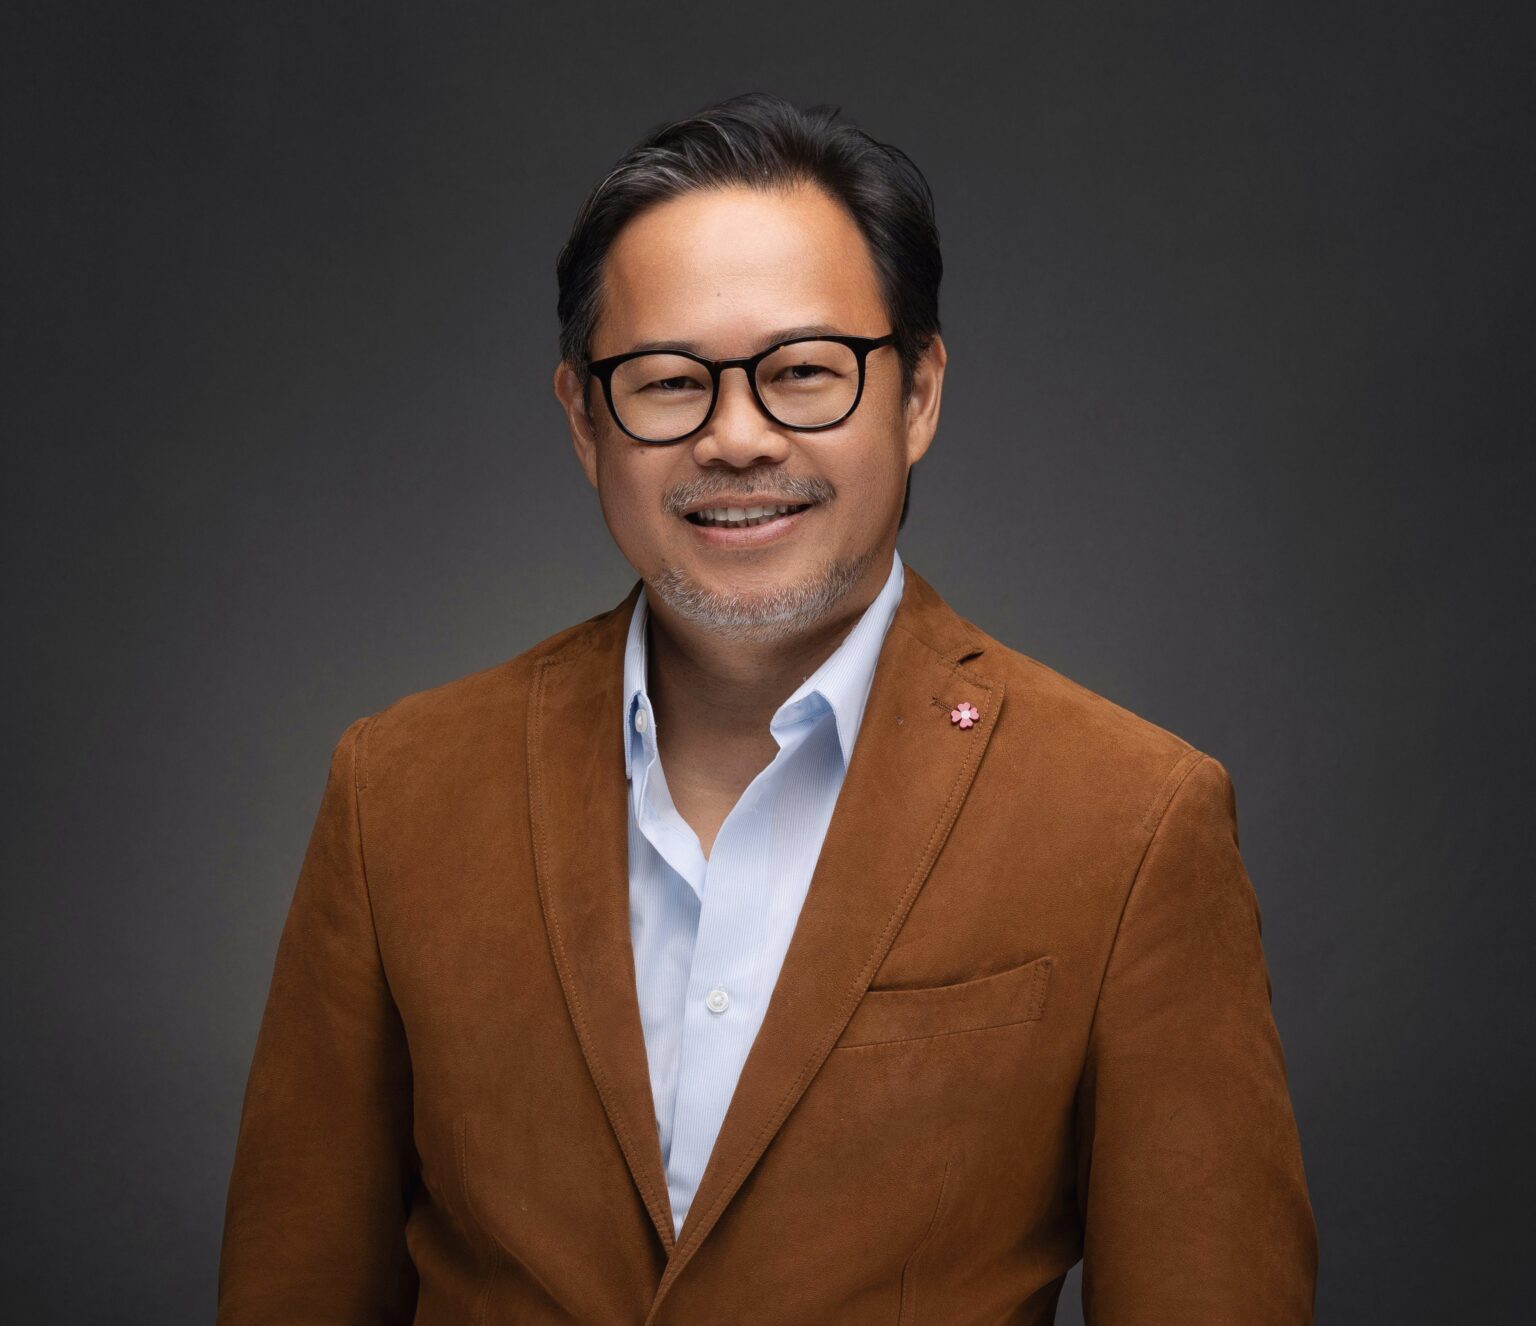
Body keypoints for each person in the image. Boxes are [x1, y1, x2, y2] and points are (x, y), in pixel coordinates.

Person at [217, 92, 1318, 1324]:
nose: (737, 438)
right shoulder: (398, 791)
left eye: (803, 372)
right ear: (584, 420)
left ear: (918, 394)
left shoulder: (1132, 820)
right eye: (667, 381)